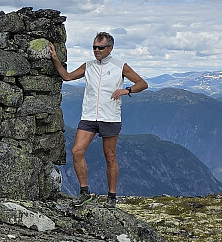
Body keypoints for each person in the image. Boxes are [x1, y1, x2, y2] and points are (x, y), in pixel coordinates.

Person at [45, 31, 148, 206]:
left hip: (110, 117)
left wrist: (127, 90)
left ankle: (112, 197)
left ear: (110, 48)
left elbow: (142, 84)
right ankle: (84, 192)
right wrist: (55, 58)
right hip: (89, 116)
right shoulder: (89, 65)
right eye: (94, 47)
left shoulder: (120, 66)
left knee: (110, 156)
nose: (96, 50)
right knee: (77, 151)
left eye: (100, 47)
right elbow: (67, 76)